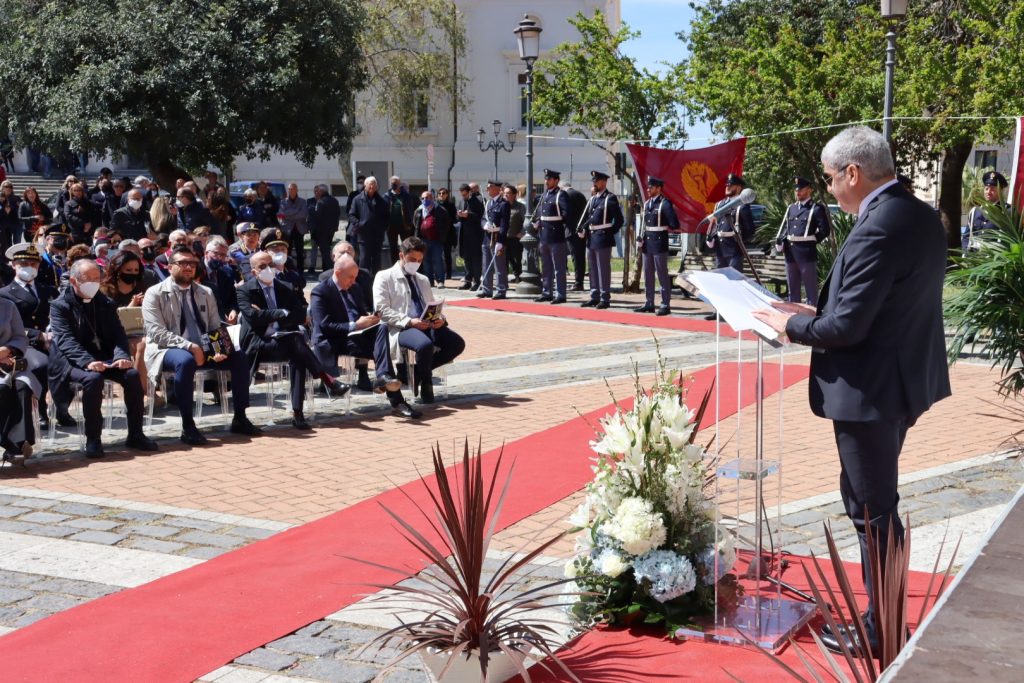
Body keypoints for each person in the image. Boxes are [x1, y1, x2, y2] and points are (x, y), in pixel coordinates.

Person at [752, 126, 951, 658]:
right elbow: (879, 305)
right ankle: (883, 619)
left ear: (853, 173)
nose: (830, 188)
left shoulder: (877, 226)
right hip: (900, 381)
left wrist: (788, 326)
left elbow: (849, 330)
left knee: (871, 512)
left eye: (831, 177)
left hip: (871, 391)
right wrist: (815, 314)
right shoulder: (917, 214)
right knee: (877, 506)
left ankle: (881, 630)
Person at [142, 246, 262, 445]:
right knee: (186, 361)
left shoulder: (205, 292)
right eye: (183, 263)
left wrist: (219, 349)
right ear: (170, 267)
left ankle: (240, 417)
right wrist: (189, 346)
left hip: (203, 346)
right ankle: (188, 426)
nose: (189, 267)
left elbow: (215, 325)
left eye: (192, 264)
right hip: (167, 349)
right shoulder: (154, 293)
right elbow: (156, 333)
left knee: (239, 357)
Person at [48, 259, 158, 458]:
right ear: (73, 280)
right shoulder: (60, 306)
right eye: (87, 279)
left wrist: (122, 356)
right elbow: (65, 340)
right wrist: (87, 361)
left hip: (104, 357)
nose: (93, 282)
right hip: (72, 360)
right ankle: (93, 439)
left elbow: (118, 334)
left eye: (96, 278)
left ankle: (135, 434)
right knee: (93, 379)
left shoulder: (105, 302)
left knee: (132, 375)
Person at [237, 251, 349, 430]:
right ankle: (328, 381)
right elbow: (252, 317)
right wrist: (281, 313)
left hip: (284, 340)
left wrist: (269, 315)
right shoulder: (245, 290)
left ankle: (298, 412)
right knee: (297, 344)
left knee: (297, 351)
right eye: (262, 267)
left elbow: (299, 315)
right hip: (259, 343)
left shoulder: (284, 287)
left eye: (271, 265)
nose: (268, 269)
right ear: (254, 272)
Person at [373, 237, 465, 412]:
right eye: (412, 260)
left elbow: (430, 304)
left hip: (426, 323)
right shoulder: (384, 277)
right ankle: (427, 381)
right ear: (401, 255)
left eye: (420, 260)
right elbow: (381, 310)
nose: (416, 263)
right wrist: (409, 321)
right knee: (424, 345)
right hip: (402, 327)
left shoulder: (422, 279)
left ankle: (416, 374)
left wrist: (440, 319)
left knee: (457, 343)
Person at [311, 254, 403, 398]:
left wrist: (370, 319)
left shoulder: (355, 288)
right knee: (382, 352)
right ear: (338, 273)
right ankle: (395, 396)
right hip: (332, 339)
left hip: (354, 336)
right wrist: (354, 325)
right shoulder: (321, 292)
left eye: (355, 277)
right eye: (350, 277)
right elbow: (325, 326)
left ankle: (383, 377)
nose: (353, 281)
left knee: (382, 328)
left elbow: (360, 313)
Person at [0, 243, 60, 430]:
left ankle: (62, 408)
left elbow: (58, 314)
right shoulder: (5, 294)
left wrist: (54, 331)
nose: (29, 267)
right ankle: (41, 410)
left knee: (67, 363)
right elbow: (14, 327)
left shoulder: (48, 290)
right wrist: (39, 334)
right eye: (24, 263)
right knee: (41, 365)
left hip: (54, 340)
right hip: (28, 343)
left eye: (33, 264)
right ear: (13, 265)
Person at [99, 250, 152, 395]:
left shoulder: (141, 288)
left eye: (135, 270)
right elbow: (108, 320)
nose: (132, 273)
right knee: (142, 344)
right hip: (114, 337)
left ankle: (140, 391)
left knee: (144, 343)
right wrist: (130, 307)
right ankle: (141, 393)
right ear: (118, 269)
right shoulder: (105, 290)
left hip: (140, 331)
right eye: (128, 270)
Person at [774, 176, 831, 306]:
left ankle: (811, 316)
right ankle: (795, 315)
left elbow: (825, 230)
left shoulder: (816, 208)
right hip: (790, 252)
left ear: (809, 190)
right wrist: (779, 241)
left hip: (806, 252)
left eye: (801, 189)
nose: (797, 192)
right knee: (792, 287)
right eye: (796, 190)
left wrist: (811, 241)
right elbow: (786, 227)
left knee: (810, 288)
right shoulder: (791, 208)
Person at [0, 296, 39, 463]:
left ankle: (20, 442)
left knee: (23, 385)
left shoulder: (8, 306)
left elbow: (20, 337)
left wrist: (7, 349)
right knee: (2, 389)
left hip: (9, 366)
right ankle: (6, 441)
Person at [577, 171, 623, 309]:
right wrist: (583, 229)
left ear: (604, 182)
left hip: (603, 237)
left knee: (603, 269)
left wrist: (609, 231)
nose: (594, 183)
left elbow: (619, 220)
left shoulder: (610, 198)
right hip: (591, 237)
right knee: (592, 269)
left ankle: (604, 298)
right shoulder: (593, 199)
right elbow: (590, 218)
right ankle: (594, 296)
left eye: (596, 181)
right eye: (593, 181)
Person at [635, 176, 679, 316]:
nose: (648, 189)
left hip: (659, 242)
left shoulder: (665, 204)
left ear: (659, 188)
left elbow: (674, 224)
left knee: (662, 275)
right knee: (647, 274)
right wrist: (640, 237)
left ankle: (665, 304)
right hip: (647, 243)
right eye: (648, 187)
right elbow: (644, 223)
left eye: (651, 187)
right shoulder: (647, 203)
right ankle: (649, 302)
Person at [532, 169, 571, 304]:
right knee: (546, 267)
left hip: (555, 236)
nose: (546, 181)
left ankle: (560, 294)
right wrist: (537, 221)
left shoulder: (561, 195)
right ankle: (546, 292)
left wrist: (560, 226)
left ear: (556, 181)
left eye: (549, 179)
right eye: (546, 179)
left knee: (559, 268)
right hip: (544, 236)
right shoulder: (544, 195)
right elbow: (539, 212)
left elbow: (567, 215)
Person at [706, 172, 755, 272]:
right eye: (727, 185)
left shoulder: (742, 206)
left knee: (734, 282)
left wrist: (739, 240)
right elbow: (715, 225)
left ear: (739, 188)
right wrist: (711, 236)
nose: (727, 187)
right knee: (720, 281)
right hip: (720, 250)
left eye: (731, 185)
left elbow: (750, 230)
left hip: (734, 251)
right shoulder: (719, 205)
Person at [347, 176, 388, 274]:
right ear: (365, 186)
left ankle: (376, 281)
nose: (372, 187)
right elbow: (351, 215)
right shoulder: (357, 199)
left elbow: (387, 217)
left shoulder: (381, 201)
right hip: (363, 235)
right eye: (370, 185)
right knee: (364, 259)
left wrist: (383, 228)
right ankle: (363, 280)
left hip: (377, 236)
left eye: (374, 185)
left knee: (376, 260)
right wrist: (359, 225)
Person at [478, 181, 510, 300]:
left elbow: (504, 224)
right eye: (487, 187)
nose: (487, 189)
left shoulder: (504, 204)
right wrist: (485, 224)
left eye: (490, 187)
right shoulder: (488, 203)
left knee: (499, 265)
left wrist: (501, 241)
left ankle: (501, 290)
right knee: (486, 265)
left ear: (497, 189)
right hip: (487, 237)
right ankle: (487, 289)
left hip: (497, 237)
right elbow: (482, 218)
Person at [964, 171, 1009, 254]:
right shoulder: (975, 211)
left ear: (1000, 190)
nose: (988, 192)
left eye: (993, 189)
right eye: (986, 188)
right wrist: (966, 254)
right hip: (974, 259)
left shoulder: (1008, 211)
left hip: (996, 261)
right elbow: (967, 237)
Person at [412, 189, 450, 287]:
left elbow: (446, 224)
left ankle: (440, 280)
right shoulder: (419, 210)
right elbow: (415, 223)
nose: (425, 200)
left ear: (432, 198)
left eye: (427, 198)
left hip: (436, 240)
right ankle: (429, 281)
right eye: (423, 198)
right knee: (426, 262)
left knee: (437, 261)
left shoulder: (440, 210)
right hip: (423, 240)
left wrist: (442, 237)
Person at [201, 236, 241, 324]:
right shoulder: (196, 271)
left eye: (223, 255)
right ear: (206, 253)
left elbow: (233, 297)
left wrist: (233, 310)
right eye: (216, 253)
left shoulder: (227, 272)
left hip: (225, 320)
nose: (219, 258)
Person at [259, 228, 306, 299]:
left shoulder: (294, 276)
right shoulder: (261, 275)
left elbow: (301, 300)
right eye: (276, 250)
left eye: (283, 249)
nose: (280, 252)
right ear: (266, 252)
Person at [455, 183, 484, 290]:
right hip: (464, 234)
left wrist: (469, 214)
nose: (464, 197)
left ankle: (477, 281)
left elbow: (480, 216)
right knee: (467, 259)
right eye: (462, 195)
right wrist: (459, 215)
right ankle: (467, 281)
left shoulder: (478, 201)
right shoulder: (461, 202)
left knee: (475, 259)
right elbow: (457, 218)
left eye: (465, 194)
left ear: (470, 192)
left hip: (475, 235)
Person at [561, 180, 589, 291]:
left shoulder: (566, 195)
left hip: (571, 231)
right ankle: (579, 281)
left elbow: (565, 213)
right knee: (580, 257)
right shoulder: (580, 195)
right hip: (581, 231)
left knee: (575, 258)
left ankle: (578, 283)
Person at [309, 184, 340, 274]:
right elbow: (337, 214)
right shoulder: (334, 200)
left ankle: (330, 270)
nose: (316, 192)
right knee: (327, 250)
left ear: (322, 191)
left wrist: (311, 211)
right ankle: (326, 269)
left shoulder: (321, 202)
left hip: (321, 231)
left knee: (325, 251)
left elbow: (318, 216)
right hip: (331, 230)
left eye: (318, 191)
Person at [383, 176, 414, 264]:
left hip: (404, 225)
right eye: (392, 183)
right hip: (391, 226)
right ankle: (395, 265)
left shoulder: (406, 196)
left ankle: (406, 263)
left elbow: (411, 209)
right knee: (393, 248)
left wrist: (410, 223)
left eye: (396, 183)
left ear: (400, 184)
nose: (394, 184)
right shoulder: (386, 196)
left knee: (406, 246)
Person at [280, 183, 308, 272]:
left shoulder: (303, 201)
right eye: (289, 189)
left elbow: (303, 214)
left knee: (300, 250)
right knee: (287, 250)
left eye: (293, 189)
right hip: (287, 229)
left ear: (297, 190)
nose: (291, 191)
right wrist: (296, 211)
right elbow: (281, 214)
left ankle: (300, 269)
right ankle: (288, 269)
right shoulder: (283, 202)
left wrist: (288, 215)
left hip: (299, 229)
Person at [504, 184, 526, 282]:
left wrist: (522, 232)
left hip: (515, 238)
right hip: (504, 237)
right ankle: (503, 279)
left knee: (516, 259)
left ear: (514, 195)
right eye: (504, 193)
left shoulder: (520, 207)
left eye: (508, 193)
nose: (506, 195)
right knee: (505, 259)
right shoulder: (502, 205)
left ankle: (518, 276)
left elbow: (526, 221)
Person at [436, 188, 458, 281]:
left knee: (447, 254)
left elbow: (454, 219)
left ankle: (448, 274)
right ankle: (438, 274)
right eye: (440, 193)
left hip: (448, 234)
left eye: (444, 193)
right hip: (437, 234)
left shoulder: (451, 206)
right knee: (437, 255)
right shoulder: (435, 205)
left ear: (447, 195)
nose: (441, 195)